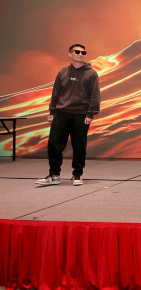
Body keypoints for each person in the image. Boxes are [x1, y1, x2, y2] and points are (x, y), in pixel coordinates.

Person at [36, 44, 101, 187]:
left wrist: (91, 113)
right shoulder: (63, 72)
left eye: (83, 52)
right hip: (61, 113)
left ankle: (77, 174)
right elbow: (56, 93)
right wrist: (52, 111)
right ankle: (54, 175)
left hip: (81, 114)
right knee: (54, 144)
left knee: (79, 145)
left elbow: (95, 95)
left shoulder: (91, 74)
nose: (80, 54)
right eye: (77, 52)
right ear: (70, 54)